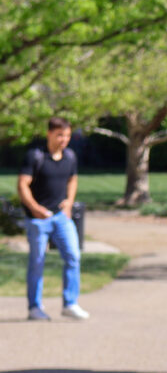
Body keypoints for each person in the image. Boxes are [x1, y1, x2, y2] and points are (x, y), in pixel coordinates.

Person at [17, 116, 90, 321]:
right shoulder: (35, 156)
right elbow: (23, 184)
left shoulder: (70, 157)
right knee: (37, 262)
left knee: (73, 256)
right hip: (37, 219)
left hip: (60, 217)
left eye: (67, 135)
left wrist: (69, 201)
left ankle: (70, 303)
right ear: (49, 133)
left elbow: (72, 179)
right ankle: (34, 307)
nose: (64, 139)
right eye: (60, 135)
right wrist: (35, 208)